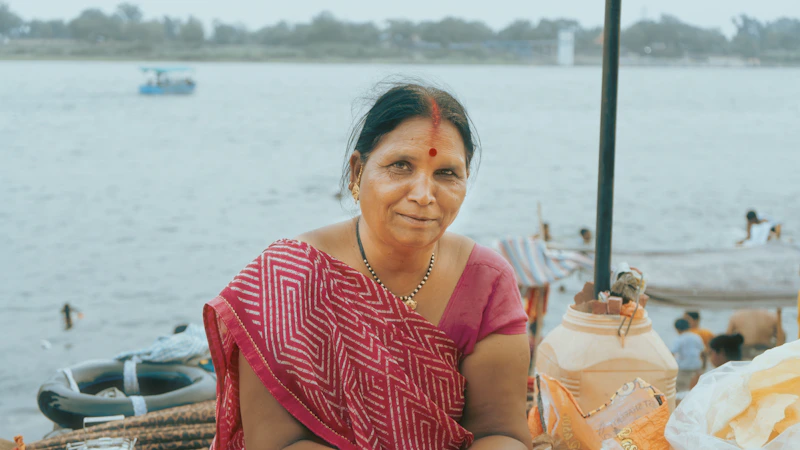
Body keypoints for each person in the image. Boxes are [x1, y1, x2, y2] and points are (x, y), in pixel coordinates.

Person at [203, 82, 531, 450]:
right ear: (357, 172)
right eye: (401, 166)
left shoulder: (487, 283)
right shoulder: (286, 281)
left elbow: (500, 432)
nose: (424, 194)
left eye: (446, 173)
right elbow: (279, 443)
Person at [671, 318, 705, 392]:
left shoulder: (679, 339)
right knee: (695, 390)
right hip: (696, 367)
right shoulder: (697, 337)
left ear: (677, 329)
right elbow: (703, 353)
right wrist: (703, 368)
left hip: (683, 368)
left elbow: (672, 353)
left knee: (681, 390)